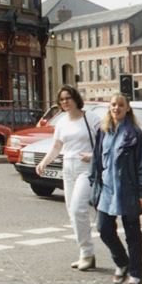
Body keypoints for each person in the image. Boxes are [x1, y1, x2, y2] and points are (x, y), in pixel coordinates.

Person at [89, 93, 142, 284]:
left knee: (132, 234)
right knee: (104, 229)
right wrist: (94, 182)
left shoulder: (134, 133)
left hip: (129, 190)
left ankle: (136, 274)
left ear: (127, 108)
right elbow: (96, 160)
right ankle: (122, 262)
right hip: (107, 190)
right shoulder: (103, 131)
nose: (116, 108)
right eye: (113, 105)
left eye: (120, 105)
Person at [35, 85, 99, 271]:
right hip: (68, 167)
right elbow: (56, 146)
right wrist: (44, 163)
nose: (65, 102)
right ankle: (85, 254)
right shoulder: (62, 121)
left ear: (75, 98)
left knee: (79, 209)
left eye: (68, 98)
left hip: (86, 168)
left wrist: (93, 156)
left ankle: (87, 252)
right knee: (72, 212)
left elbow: (105, 142)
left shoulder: (90, 118)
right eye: (61, 99)